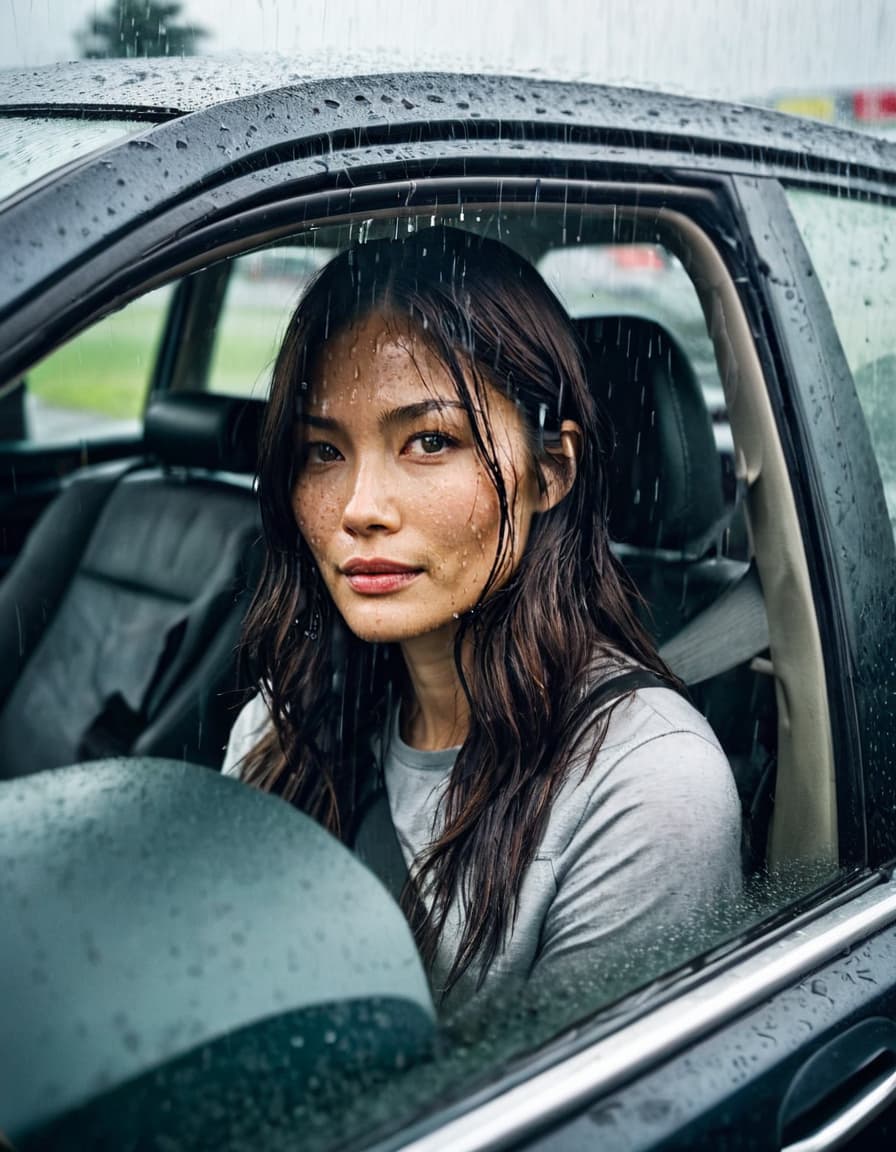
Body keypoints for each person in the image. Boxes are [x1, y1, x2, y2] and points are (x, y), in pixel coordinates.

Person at [223, 226, 741, 1004]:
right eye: (324, 452)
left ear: (551, 471)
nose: (359, 510)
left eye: (430, 441)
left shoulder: (646, 786)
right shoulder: (281, 723)